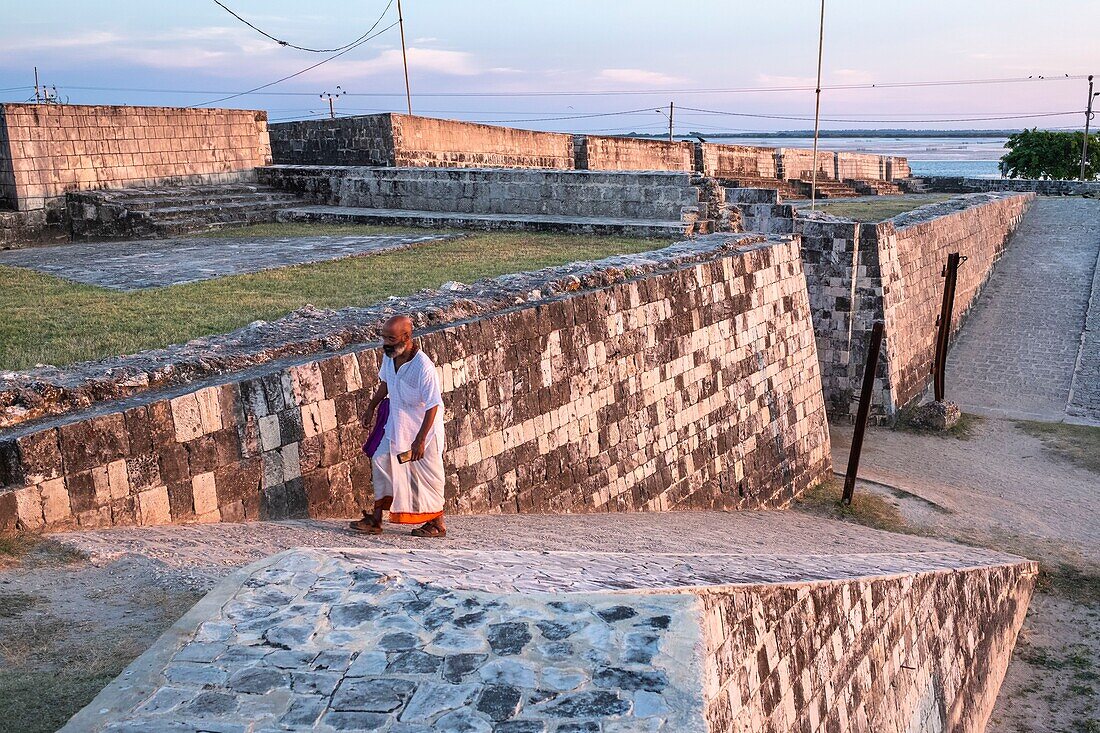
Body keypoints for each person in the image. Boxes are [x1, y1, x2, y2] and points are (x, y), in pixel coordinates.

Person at [349, 315, 447, 537]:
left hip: (424, 431)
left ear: (406, 336)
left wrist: (420, 440)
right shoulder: (389, 356)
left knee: (427, 477)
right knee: (380, 460)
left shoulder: (423, 367)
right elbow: (386, 383)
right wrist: (371, 407)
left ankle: (437, 523)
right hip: (397, 425)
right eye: (384, 337)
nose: (386, 343)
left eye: (391, 338)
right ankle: (376, 519)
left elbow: (433, 405)